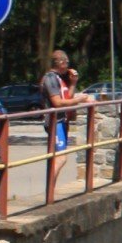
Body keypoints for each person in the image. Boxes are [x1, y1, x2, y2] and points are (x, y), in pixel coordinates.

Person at [42, 50, 80, 192]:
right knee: (61, 158)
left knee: (58, 157)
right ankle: (49, 191)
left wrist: (73, 83)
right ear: (61, 63)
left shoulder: (60, 79)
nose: (68, 65)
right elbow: (57, 102)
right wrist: (80, 99)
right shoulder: (50, 78)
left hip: (62, 121)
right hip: (54, 122)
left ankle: (50, 190)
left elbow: (67, 98)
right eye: (67, 62)